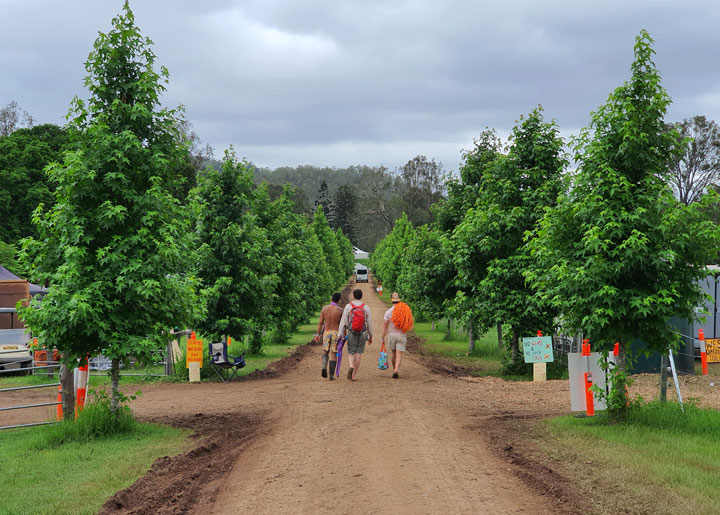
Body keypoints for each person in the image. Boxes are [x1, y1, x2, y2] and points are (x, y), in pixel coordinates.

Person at [338, 288, 373, 381]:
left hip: (352, 333)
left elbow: (344, 321)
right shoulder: (365, 308)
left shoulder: (349, 306)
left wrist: (340, 334)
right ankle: (353, 375)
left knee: (350, 353)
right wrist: (370, 336)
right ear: (361, 296)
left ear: (353, 296)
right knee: (358, 354)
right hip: (362, 334)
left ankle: (351, 365)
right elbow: (369, 323)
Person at [381, 291, 414, 379]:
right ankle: (396, 369)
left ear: (391, 300)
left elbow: (385, 325)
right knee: (399, 353)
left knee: (393, 353)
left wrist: (382, 337)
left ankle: (394, 369)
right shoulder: (404, 309)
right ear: (398, 300)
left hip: (392, 335)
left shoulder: (388, 312)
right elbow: (409, 320)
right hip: (401, 334)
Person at [315, 292, 343, 380]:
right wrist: (343, 335)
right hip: (335, 332)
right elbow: (342, 324)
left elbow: (320, 323)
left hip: (326, 332)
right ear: (339, 300)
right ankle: (331, 375)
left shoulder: (324, 309)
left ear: (331, 298)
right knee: (333, 353)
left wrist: (318, 334)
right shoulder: (339, 310)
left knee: (325, 351)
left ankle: (324, 367)